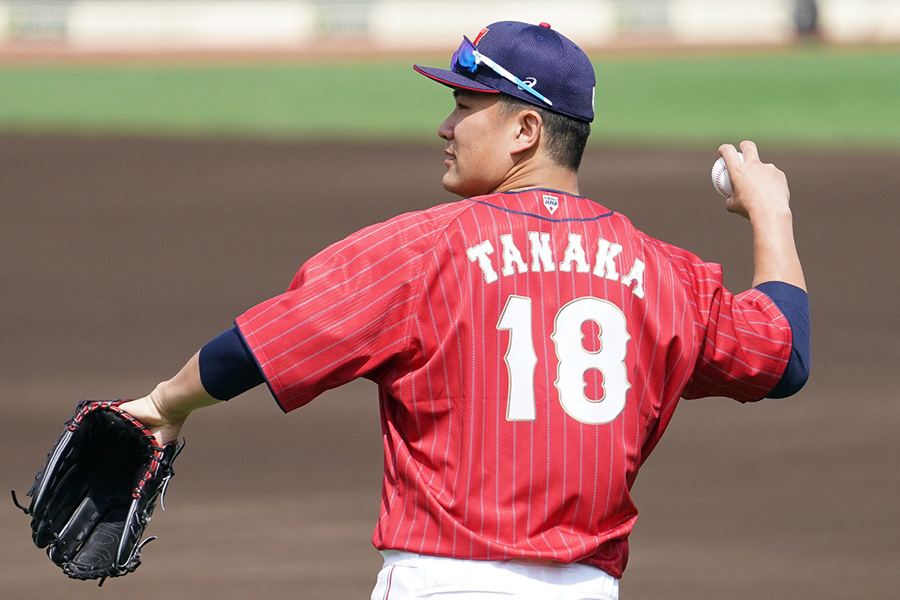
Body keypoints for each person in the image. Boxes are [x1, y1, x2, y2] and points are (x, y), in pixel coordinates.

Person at [118, 21, 810, 600]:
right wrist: (772, 215)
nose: (445, 127)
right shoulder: (665, 275)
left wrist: (164, 404)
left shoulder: (422, 250)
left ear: (526, 129)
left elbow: (259, 347)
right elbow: (784, 358)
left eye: (465, 105)